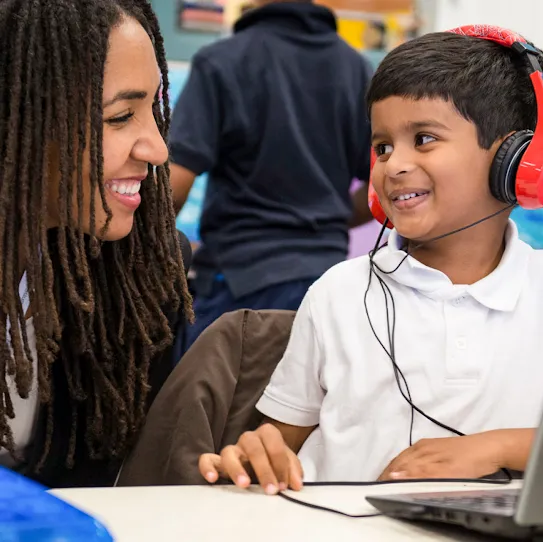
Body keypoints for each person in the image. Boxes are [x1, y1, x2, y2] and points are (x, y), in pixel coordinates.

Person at [198, 27, 543, 493]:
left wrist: (499, 447)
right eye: (382, 146)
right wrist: (255, 455)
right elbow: (279, 445)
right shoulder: (337, 293)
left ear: (516, 159)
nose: (393, 165)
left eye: (423, 139)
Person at [0, 0, 192, 488]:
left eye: (153, 109)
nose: (157, 148)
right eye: (121, 116)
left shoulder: (137, 286)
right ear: (19, 119)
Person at [169, 0, 375, 352]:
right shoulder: (356, 68)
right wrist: (327, 220)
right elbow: (384, 185)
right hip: (327, 286)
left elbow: (174, 182)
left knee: (200, 404)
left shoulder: (222, 61)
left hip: (239, 286)